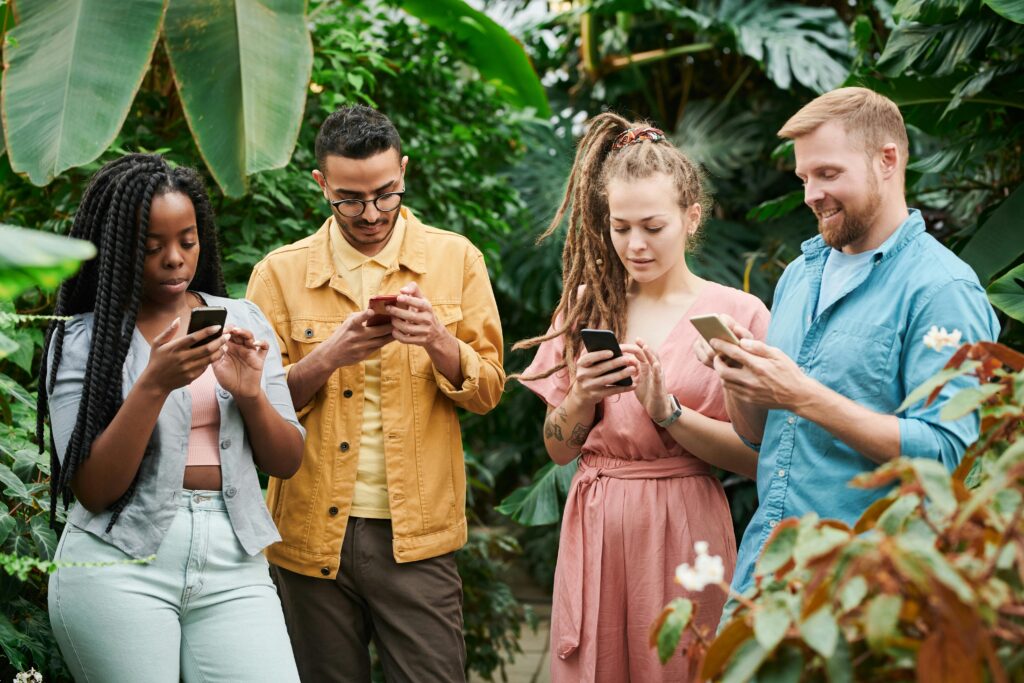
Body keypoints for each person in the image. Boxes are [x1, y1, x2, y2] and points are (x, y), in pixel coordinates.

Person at [694, 87, 1001, 602]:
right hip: (767, 574)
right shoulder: (798, 276)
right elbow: (761, 441)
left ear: (887, 160)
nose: (812, 193)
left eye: (828, 173)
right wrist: (742, 380)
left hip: (870, 591)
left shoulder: (943, 289)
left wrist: (800, 394)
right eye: (805, 178)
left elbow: (951, 455)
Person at [245, 105, 504, 682]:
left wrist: (438, 340)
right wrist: (327, 358)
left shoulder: (455, 259)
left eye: (386, 194)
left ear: (404, 172)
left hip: (418, 538)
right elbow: (251, 407)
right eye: (350, 200)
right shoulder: (278, 274)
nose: (371, 214)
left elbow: (488, 391)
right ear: (321, 185)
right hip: (310, 536)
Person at [515, 113, 770, 682]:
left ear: (692, 216)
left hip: (684, 522)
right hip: (597, 522)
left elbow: (761, 459)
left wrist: (669, 415)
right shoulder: (586, 306)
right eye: (620, 226)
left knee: (682, 663)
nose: (635, 244)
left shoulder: (737, 315)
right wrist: (580, 397)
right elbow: (558, 450)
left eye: (653, 226)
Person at [38, 154, 305, 682]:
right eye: (152, 246)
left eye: (187, 240)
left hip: (234, 561)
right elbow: (93, 489)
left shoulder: (244, 319)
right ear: (117, 248)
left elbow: (287, 460)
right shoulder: (81, 341)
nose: (174, 260)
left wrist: (251, 395)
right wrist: (155, 384)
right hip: (118, 563)